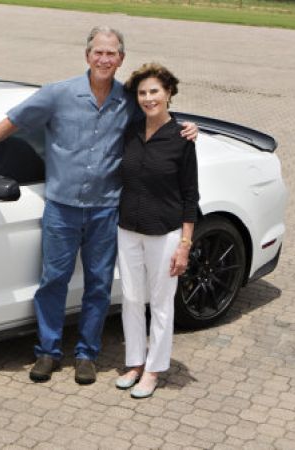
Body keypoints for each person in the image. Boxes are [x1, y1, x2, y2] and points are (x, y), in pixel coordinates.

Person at [0, 26, 197, 385]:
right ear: (87, 55)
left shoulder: (129, 100)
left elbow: (160, 118)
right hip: (62, 208)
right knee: (53, 281)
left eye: (112, 54)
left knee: (97, 285)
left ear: (120, 59)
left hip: (107, 211)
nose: (104, 59)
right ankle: (48, 351)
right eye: (98, 52)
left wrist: (191, 127)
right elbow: (12, 122)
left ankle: (86, 354)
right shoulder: (57, 94)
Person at [114, 63, 199, 398]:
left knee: (161, 303)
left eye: (154, 92)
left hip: (164, 232)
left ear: (168, 94)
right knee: (132, 299)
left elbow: (191, 195)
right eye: (142, 93)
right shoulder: (131, 131)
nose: (148, 98)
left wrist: (185, 244)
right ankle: (134, 362)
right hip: (128, 229)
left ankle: (154, 368)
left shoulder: (182, 139)